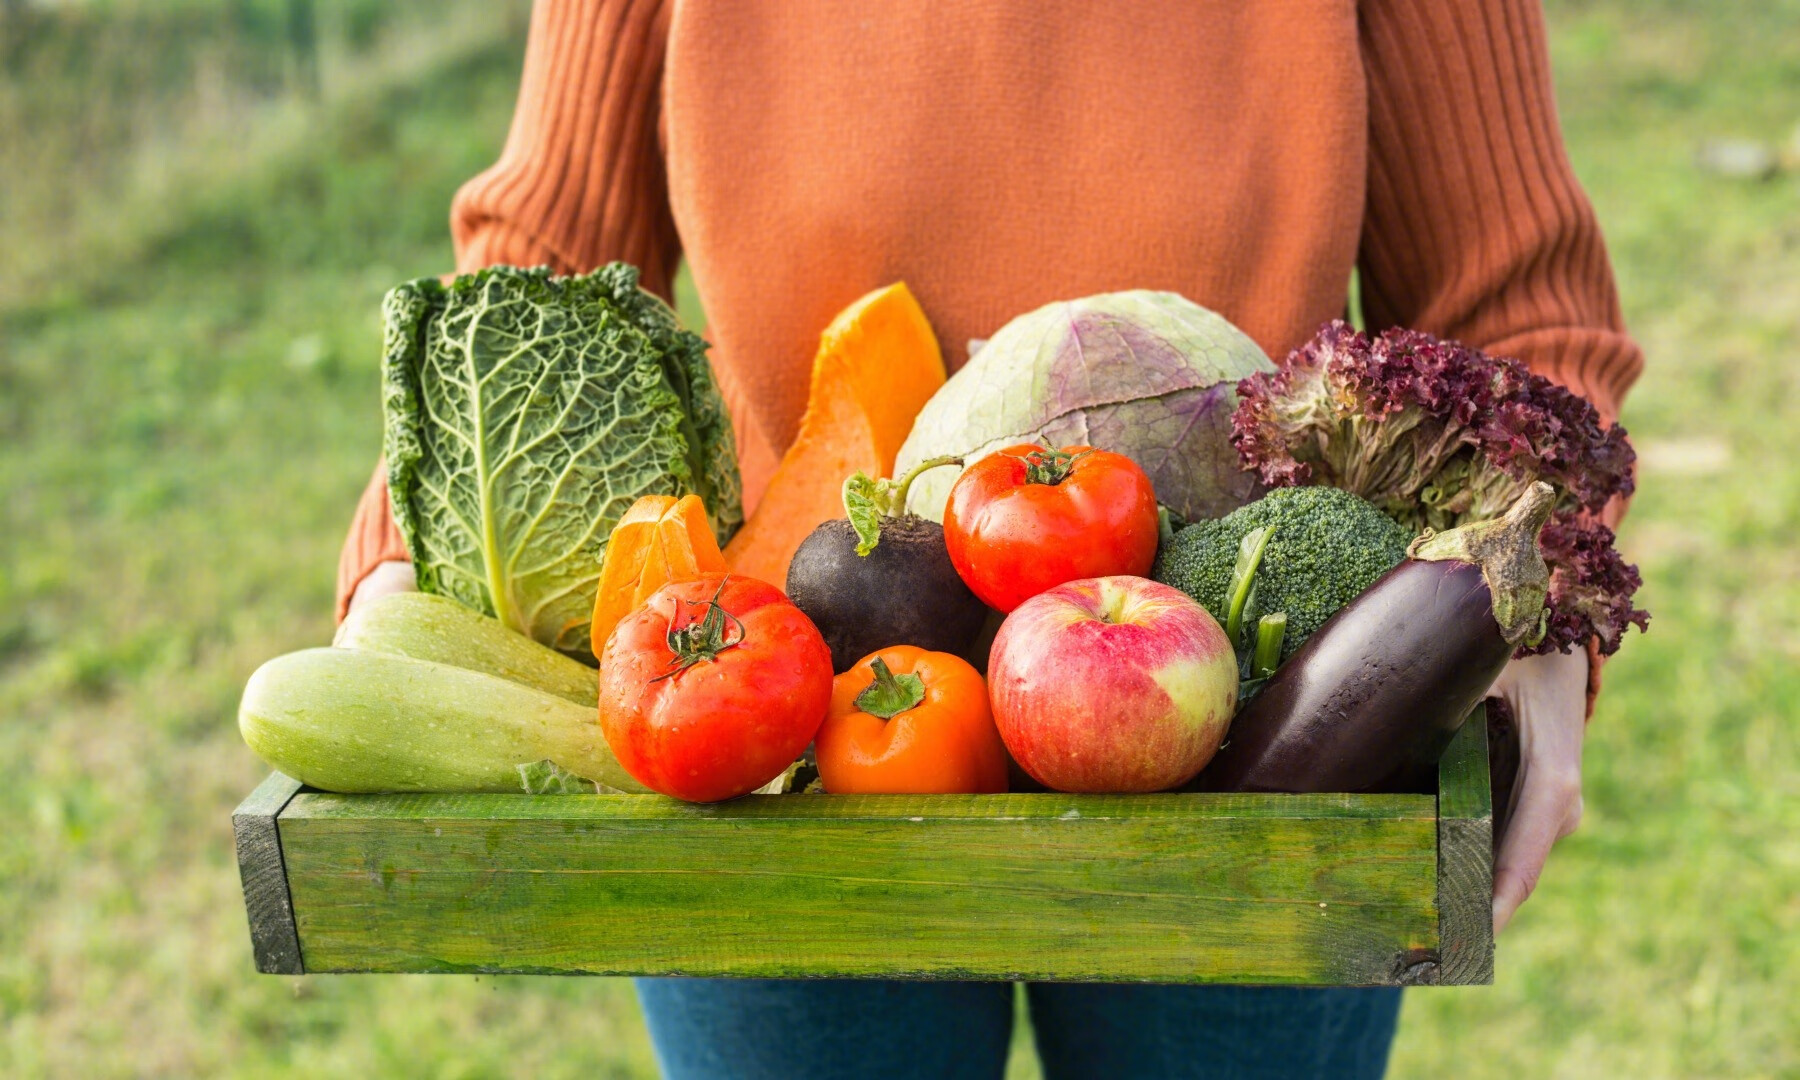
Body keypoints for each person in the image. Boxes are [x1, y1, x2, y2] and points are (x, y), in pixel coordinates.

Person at [337, 1, 1641, 1076]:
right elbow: (545, 258)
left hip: (1267, 727)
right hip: (779, 713)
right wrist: (423, 543)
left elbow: (1514, 303)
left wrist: (1534, 596)